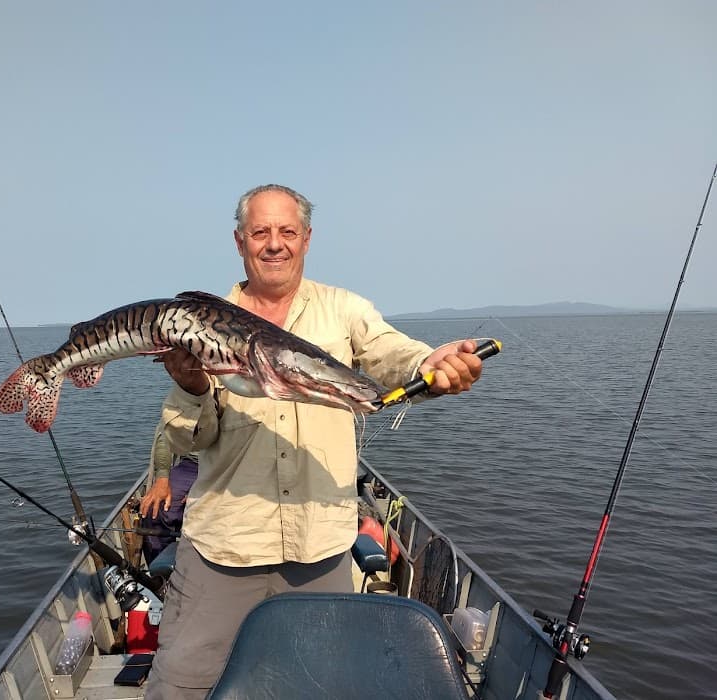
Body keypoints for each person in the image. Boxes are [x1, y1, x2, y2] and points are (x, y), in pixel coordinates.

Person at [146, 184, 485, 699]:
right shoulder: (200, 322)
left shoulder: (343, 310)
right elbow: (187, 439)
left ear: (307, 239)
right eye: (261, 232)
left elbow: (393, 355)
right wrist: (191, 385)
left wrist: (429, 364)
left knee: (318, 686)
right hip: (224, 543)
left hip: (320, 545)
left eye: (287, 231)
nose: (274, 243)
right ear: (240, 242)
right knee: (182, 686)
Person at [139, 425, 198, 564]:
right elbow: (167, 430)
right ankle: (161, 574)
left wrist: (204, 487)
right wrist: (162, 478)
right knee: (154, 507)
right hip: (193, 464)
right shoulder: (189, 403)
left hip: (236, 469)